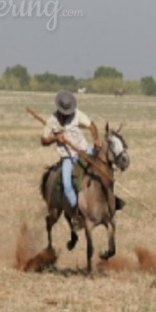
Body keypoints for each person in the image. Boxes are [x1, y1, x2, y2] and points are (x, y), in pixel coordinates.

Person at [41, 90, 99, 225]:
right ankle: (76, 213)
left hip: (83, 150)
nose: (67, 114)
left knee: (102, 162)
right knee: (67, 184)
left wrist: (95, 139)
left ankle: (110, 200)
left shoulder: (77, 114)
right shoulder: (52, 121)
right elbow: (43, 140)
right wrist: (55, 138)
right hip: (67, 158)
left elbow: (92, 126)